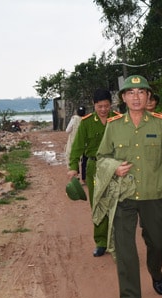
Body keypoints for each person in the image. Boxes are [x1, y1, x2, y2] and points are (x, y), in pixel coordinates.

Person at [95, 75, 162, 298]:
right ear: (123, 98)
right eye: (130, 93)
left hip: (153, 194)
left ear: (148, 97)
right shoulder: (113, 126)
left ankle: (156, 271)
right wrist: (114, 167)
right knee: (125, 250)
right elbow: (101, 157)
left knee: (157, 241)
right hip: (123, 196)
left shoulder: (160, 125)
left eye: (141, 92)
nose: (136, 97)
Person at [67, 89, 120, 257]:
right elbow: (77, 146)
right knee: (97, 205)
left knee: (116, 204)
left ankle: (117, 241)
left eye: (106, 106)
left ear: (110, 105)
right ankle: (101, 242)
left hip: (115, 167)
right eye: (99, 106)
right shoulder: (87, 122)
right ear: (94, 105)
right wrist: (73, 166)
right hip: (94, 168)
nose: (103, 110)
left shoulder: (119, 119)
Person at [65, 106, 87, 181]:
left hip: (73, 142)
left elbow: (67, 130)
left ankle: (76, 176)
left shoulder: (74, 119)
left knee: (74, 157)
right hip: (84, 143)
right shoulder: (86, 120)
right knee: (84, 160)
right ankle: (84, 178)